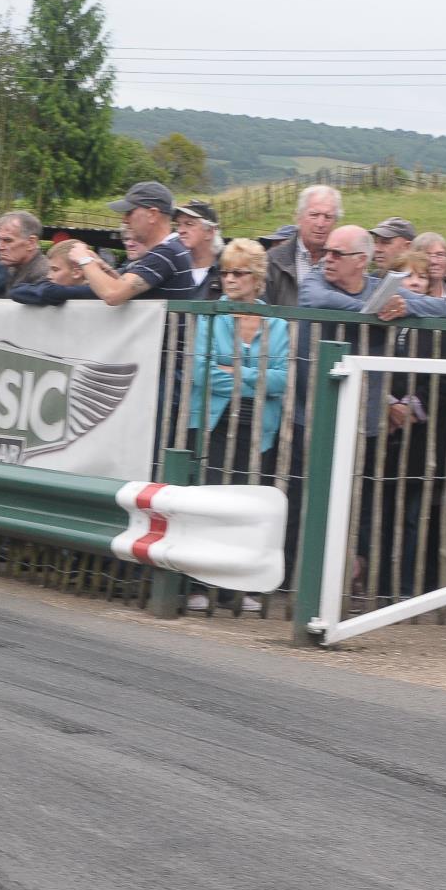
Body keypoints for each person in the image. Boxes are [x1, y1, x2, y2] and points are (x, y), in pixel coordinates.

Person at [186, 239, 289, 614]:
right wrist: (255, 376)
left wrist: (235, 371)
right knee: (210, 502)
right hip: (213, 423)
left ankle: (240, 587)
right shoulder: (210, 317)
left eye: (238, 273)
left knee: (248, 506)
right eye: (225, 272)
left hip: (258, 426)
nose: (229, 279)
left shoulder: (277, 323)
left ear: (257, 278)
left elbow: (284, 379)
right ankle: (200, 583)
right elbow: (201, 374)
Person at [67, 181, 195, 305]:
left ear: (152, 214)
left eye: (129, 212)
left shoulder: (167, 253)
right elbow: (124, 287)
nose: (124, 219)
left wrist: (84, 260)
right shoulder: (172, 248)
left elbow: (113, 294)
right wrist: (102, 268)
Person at [300, 225, 446, 320]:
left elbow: (445, 308)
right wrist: (375, 309)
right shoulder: (315, 279)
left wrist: (404, 308)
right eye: (326, 252)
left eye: (336, 254)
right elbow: (319, 299)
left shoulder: (380, 288)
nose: (328, 258)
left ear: (361, 260)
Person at [264, 184, 342, 307]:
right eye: (314, 215)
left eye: (328, 217)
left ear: (336, 222)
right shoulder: (272, 261)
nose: (320, 224)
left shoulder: (346, 261)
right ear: (298, 217)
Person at [11, 239, 100, 305]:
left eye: (55, 270)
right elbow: (16, 291)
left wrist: (43, 288)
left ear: (76, 273)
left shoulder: (95, 292)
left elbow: (51, 292)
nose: (49, 276)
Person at [174, 200, 222, 300]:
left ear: (209, 232)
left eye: (189, 224)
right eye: (178, 224)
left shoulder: (229, 271)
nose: (180, 230)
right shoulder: (172, 270)